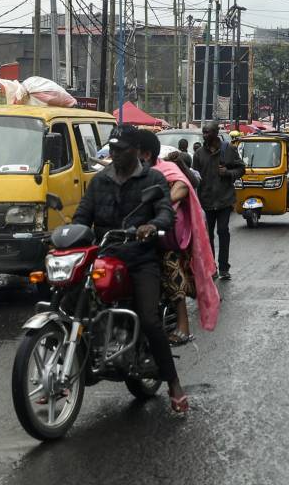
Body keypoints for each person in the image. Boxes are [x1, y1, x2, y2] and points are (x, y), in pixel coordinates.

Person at [72, 126, 186, 414]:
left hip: (140, 258)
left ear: (136, 150)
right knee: (72, 299)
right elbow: (82, 216)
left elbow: (165, 212)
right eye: (112, 148)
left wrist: (153, 226)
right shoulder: (99, 182)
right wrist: (68, 232)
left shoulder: (153, 178)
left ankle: (173, 383)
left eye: (121, 149)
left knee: (149, 320)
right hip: (105, 255)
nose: (115, 154)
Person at [155, 145, 219, 347]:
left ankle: (183, 323)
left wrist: (180, 165)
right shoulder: (129, 174)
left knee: (171, 266)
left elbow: (188, 183)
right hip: (138, 231)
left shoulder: (174, 174)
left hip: (175, 231)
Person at [192, 121, 246, 281]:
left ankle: (224, 267)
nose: (205, 135)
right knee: (207, 237)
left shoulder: (228, 150)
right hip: (206, 202)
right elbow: (195, 177)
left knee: (223, 232)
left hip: (224, 200)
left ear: (216, 133)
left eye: (207, 132)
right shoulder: (199, 154)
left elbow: (241, 169)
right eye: (203, 133)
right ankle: (211, 267)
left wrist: (228, 173)